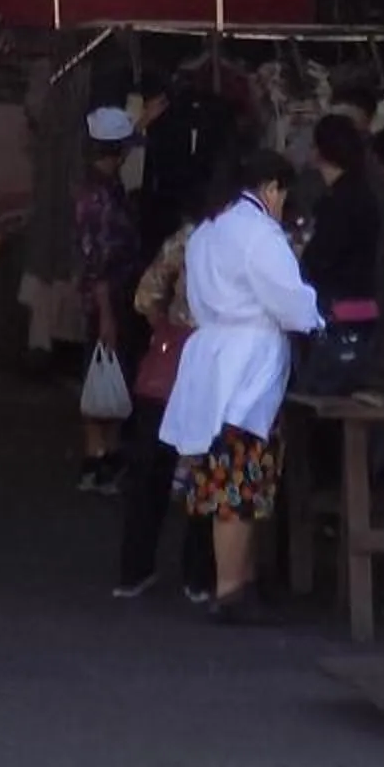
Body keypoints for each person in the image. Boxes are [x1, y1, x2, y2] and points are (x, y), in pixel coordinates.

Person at [159, 141, 324, 624]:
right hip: (247, 363)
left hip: (212, 355)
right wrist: (318, 319)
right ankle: (231, 588)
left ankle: (240, 579)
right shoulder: (258, 234)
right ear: (271, 188)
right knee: (237, 479)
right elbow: (290, 301)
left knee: (230, 475)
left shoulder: (208, 231)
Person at [112, 213, 219, 604]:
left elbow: (146, 295)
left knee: (149, 469)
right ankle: (199, 575)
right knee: (208, 469)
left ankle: (134, 569)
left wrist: (165, 326)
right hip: (217, 365)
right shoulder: (255, 241)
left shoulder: (188, 237)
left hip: (170, 361)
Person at [73, 107, 147, 489]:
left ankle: (105, 454)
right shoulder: (100, 197)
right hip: (108, 298)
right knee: (102, 369)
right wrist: (106, 314)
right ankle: (97, 455)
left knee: (108, 371)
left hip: (115, 295)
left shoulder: (104, 189)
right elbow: (98, 259)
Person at [297, 112, 384, 373]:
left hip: (337, 309)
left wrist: (302, 253)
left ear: (321, 151)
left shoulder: (338, 202)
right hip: (364, 303)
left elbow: (321, 257)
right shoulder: (365, 193)